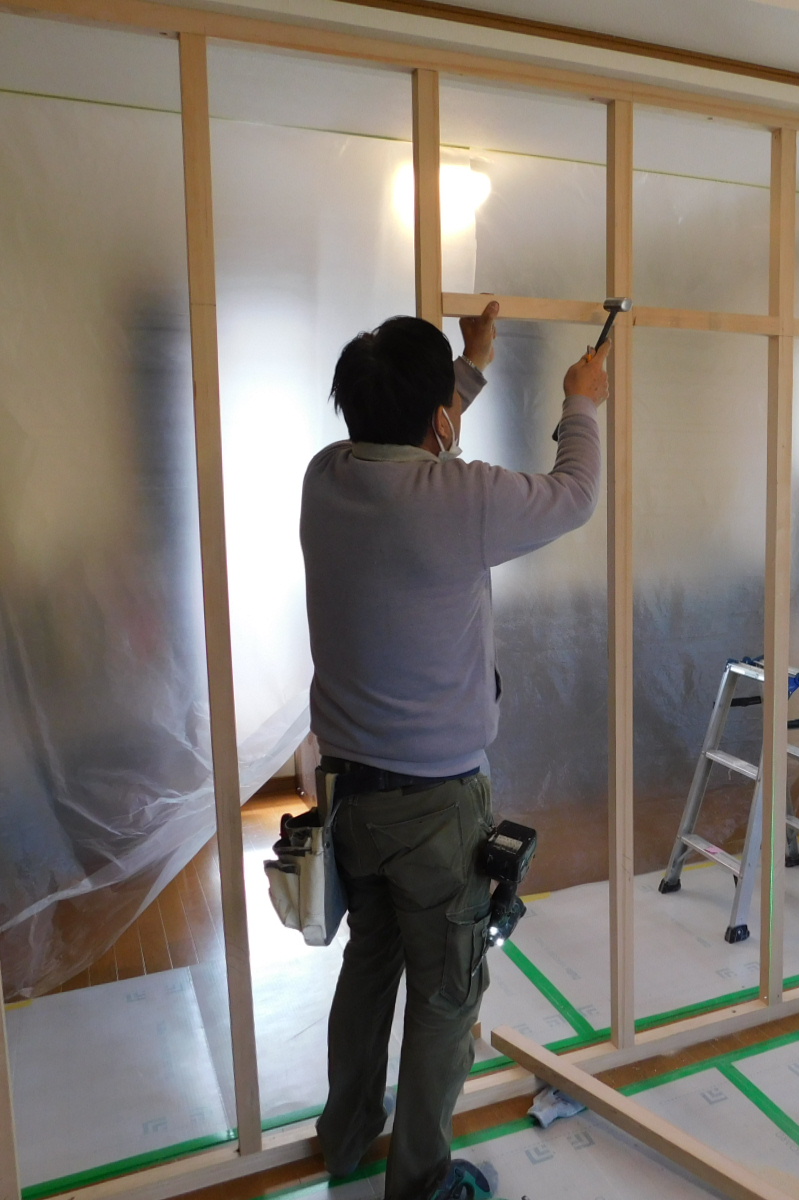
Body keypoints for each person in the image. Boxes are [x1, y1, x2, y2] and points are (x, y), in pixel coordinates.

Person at [301, 300, 610, 1200]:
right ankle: (422, 1185)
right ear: (440, 421)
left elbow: (410, 438)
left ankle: (346, 1139)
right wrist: (582, 400)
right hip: (437, 801)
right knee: (446, 994)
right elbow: (576, 493)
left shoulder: (326, 477)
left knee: (371, 962)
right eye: (451, 406)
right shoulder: (462, 498)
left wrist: (465, 369)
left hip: (349, 794)